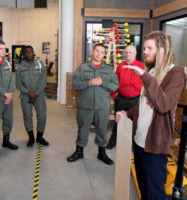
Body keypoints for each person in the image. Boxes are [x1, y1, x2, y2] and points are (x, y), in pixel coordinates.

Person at [116, 31, 186, 200]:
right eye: (145, 48)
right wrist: (128, 113)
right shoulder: (152, 72)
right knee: (143, 190)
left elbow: (163, 105)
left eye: (149, 48)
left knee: (155, 194)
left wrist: (144, 75)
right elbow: (144, 104)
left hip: (155, 146)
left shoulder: (175, 74)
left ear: (162, 49)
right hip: (139, 142)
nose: (145, 51)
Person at [67, 43, 119, 165]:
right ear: (93, 52)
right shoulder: (83, 67)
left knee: (102, 129)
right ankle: (79, 152)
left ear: (105, 55)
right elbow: (74, 84)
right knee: (83, 129)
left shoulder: (108, 69)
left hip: (102, 106)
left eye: (101, 52)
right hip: (85, 105)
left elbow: (115, 85)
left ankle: (102, 153)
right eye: (97, 51)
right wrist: (88, 82)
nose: (98, 54)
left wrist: (102, 83)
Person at [107, 45, 144, 149]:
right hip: (121, 99)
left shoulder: (141, 66)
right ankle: (112, 141)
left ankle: (133, 145)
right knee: (117, 121)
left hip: (135, 101)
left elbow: (146, 83)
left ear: (135, 53)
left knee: (135, 123)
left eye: (130, 52)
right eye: (126, 52)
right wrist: (114, 96)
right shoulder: (120, 66)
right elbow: (114, 82)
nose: (128, 54)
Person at [15, 46, 49, 147]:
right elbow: (18, 84)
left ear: (33, 52)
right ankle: (31, 138)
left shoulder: (40, 64)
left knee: (42, 116)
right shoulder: (20, 67)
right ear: (24, 54)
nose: (29, 54)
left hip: (39, 95)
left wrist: (36, 93)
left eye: (30, 52)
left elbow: (43, 81)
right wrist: (29, 93)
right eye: (27, 53)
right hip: (25, 96)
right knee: (27, 116)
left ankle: (39, 137)